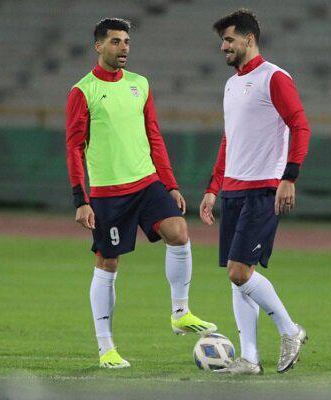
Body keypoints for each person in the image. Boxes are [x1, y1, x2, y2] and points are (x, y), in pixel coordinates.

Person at [65, 18, 216, 369]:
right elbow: (74, 147)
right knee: (108, 263)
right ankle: (106, 348)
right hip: (107, 192)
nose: (124, 48)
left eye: (127, 42)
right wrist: (80, 199)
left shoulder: (140, 84)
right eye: (116, 42)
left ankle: (180, 312)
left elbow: (154, 135)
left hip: (147, 182)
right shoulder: (83, 91)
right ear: (98, 46)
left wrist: (171, 183)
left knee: (179, 232)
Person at [199, 9, 311, 375]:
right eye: (223, 41)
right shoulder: (231, 84)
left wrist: (289, 177)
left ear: (249, 39)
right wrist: (213, 189)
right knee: (237, 274)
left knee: (238, 272)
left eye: (229, 40)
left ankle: (290, 329)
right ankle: (249, 358)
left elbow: (300, 125)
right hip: (231, 189)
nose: (223, 47)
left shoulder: (274, 78)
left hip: (263, 189)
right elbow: (229, 140)